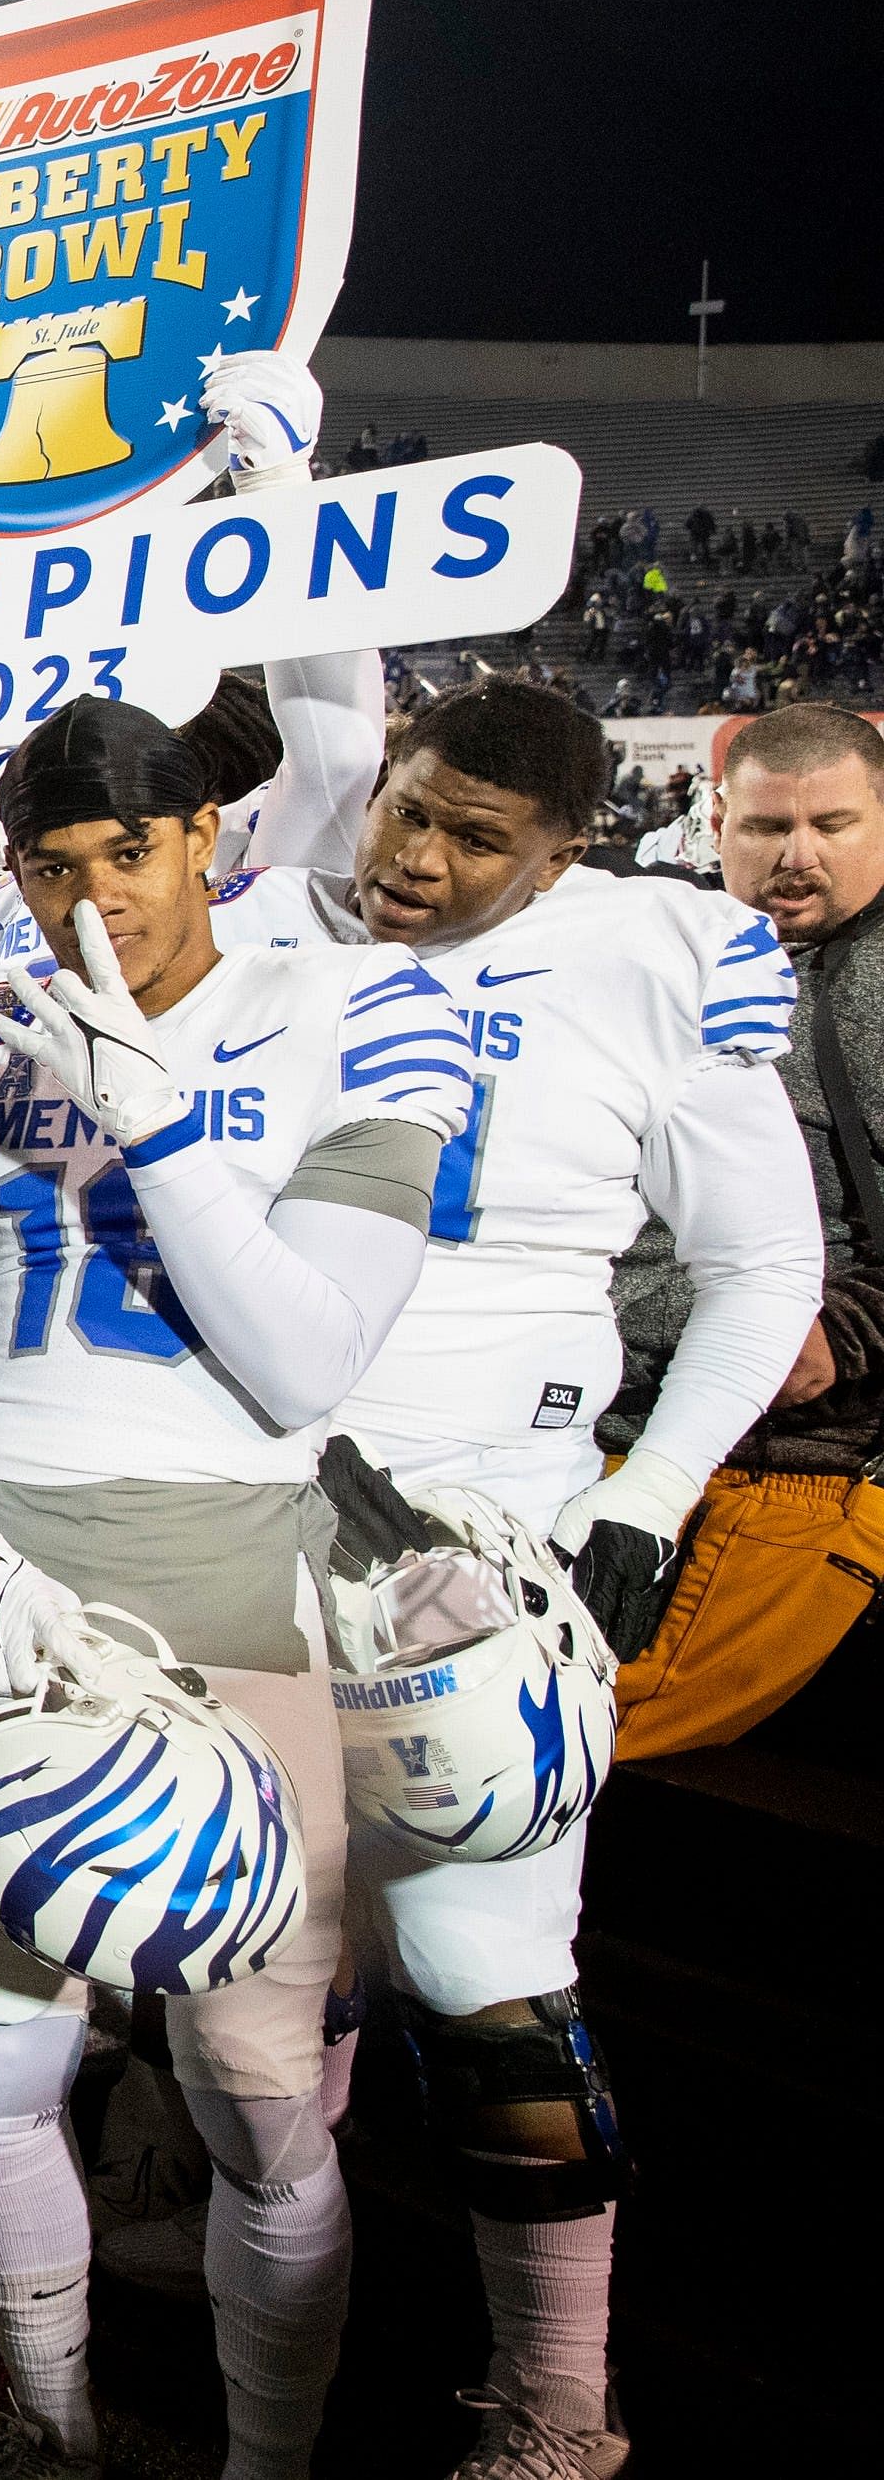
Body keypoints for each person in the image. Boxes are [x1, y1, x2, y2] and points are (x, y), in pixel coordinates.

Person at [212, 678, 819, 2478]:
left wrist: (650, 1493)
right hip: (253, 1504)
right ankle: (258, 2332)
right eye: (414, 809)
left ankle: (561, 2395)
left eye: (484, 838)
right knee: (256, 1976)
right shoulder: (287, 913)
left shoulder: (661, 952)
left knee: (493, 1987)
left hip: (481, 1525)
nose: (423, 856)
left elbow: (765, 1257)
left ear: (571, 849)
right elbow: (315, 692)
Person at [0, 694, 477, 2480]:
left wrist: (160, 1132)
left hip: (234, 1573)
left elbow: (307, 1363)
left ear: (207, 840)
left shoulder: (362, 1003)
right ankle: (51, 2418)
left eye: (131, 852)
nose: (97, 898)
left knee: (256, 2089)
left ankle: (265, 2459)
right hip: (1, 1575)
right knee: (2, 2064)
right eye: (53, 862)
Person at [611, 702, 884, 1753]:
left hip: (788, 1462)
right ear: (715, 820)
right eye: (767, 827)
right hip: (583, 1413)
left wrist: (834, 1334)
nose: (796, 854)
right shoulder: (640, 949)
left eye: (834, 824)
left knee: (534, 1735)